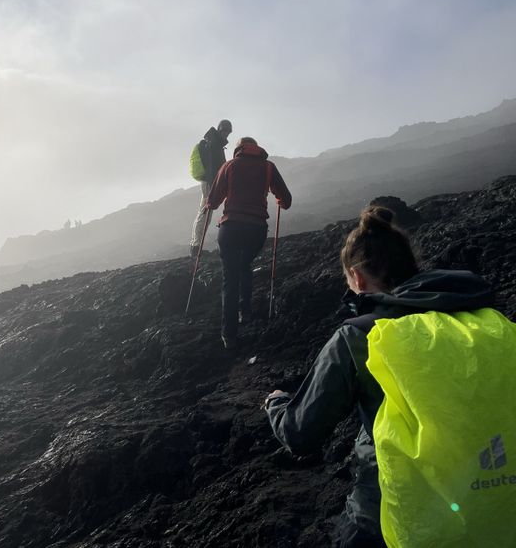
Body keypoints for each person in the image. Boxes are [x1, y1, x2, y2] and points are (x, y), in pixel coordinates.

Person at [263, 207, 513, 547]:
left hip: (401, 515)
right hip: (501, 505)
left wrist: (276, 403)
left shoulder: (361, 337)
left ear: (356, 278)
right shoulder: (489, 320)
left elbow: (300, 433)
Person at [206, 136, 291, 349]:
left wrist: (211, 204)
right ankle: (246, 312)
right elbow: (286, 200)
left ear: (238, 149)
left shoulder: (229, 166)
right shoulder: (268, 167)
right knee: (244, 265)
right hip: (256, 230)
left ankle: (229, 335)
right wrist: (279, 200)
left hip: (231, 228)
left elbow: (213, 201)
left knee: (230, 278)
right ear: (256, 148)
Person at [189, 119, 232, 258]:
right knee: (205, 213)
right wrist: (217, 184)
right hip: (210, 183)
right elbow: (214, 167)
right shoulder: (214, 144)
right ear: (220, 129)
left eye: (228, 132)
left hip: (208, 182)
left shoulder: (214, 142)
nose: (227, 134)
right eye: (225, 131)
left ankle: (195, 245)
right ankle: (196, 247)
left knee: (204, 212)